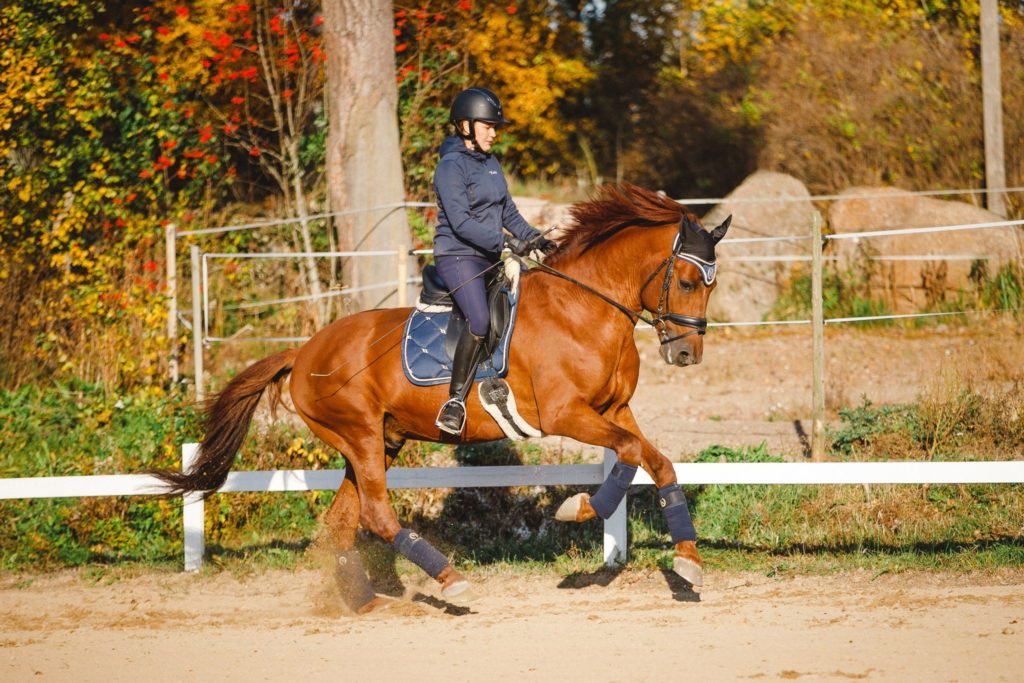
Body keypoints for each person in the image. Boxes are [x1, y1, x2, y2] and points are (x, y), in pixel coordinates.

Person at [431, 86, 555, 435]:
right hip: (458, 256)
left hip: (488, 256)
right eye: (488, 126)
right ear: (466, 126)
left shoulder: (490, 164)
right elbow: (461, 222)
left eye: (494, 126)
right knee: (481, 320)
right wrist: (507, 242)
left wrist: (535, 238)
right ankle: (454, 402)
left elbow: (509, 212)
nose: (494, 132)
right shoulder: (450, 167)